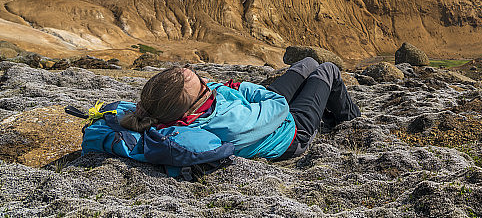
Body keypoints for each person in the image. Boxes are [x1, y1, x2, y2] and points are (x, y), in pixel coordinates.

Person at [120, 57, 361, 161]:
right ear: (191, 112)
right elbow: (278, 105)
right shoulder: (232, 124)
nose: (208, 81)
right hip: (290, 131)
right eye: (203, 84)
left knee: (307, 63)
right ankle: (352, 121)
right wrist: (240, 88)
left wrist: (224, 90)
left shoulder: (170, 108)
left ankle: (322, 106)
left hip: (258, 113)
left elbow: (218, 90)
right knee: (327, 70)